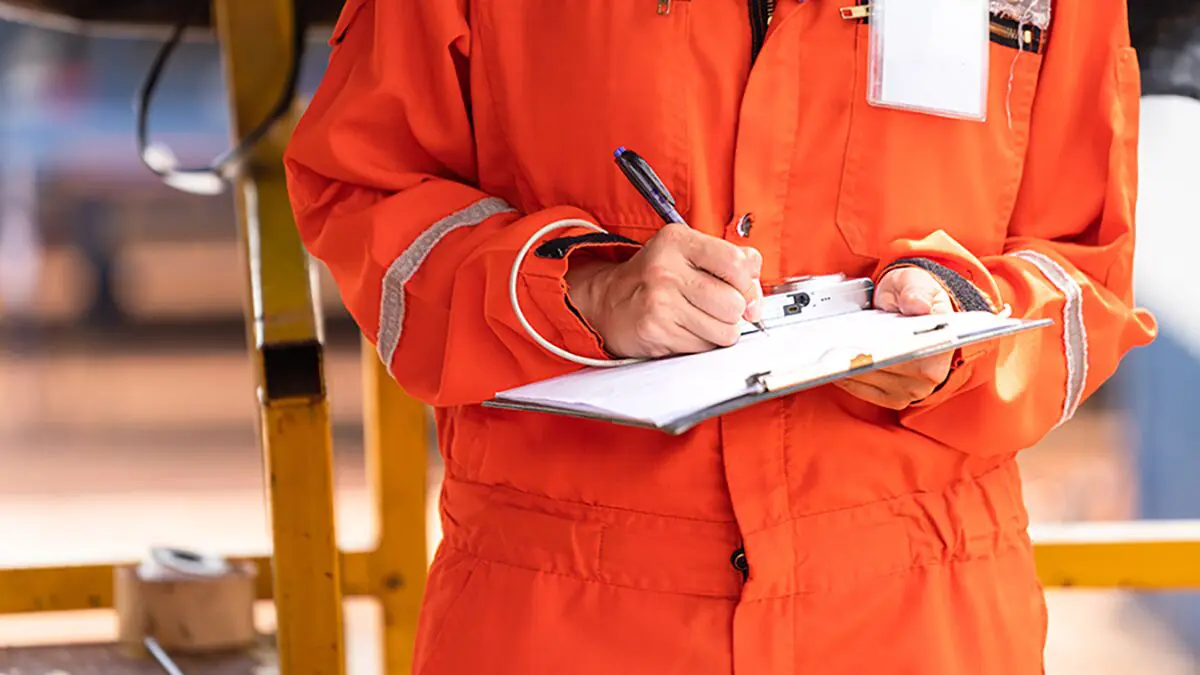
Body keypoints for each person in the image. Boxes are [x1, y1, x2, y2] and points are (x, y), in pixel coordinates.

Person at [283, 0, 1157, 671]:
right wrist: (578, 290)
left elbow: (1087, 267)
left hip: (925, 613)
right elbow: (362, 188)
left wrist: (965, 335)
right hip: (558, 610)